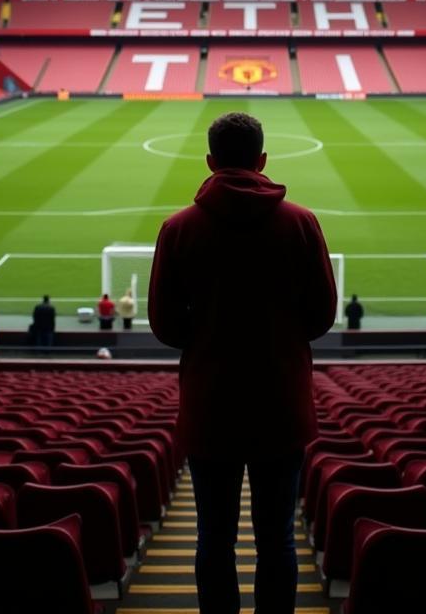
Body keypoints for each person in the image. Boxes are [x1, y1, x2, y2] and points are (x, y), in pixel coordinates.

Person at [149, 112, 337, 614]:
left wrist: (210, 335)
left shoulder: (178, 229)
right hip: (281, 405)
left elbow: (165, 326)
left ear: (210, 161)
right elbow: (321, 316)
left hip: (211, 406)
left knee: (214, 537)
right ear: (262, 160)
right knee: (277, 537)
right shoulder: (301, 222)